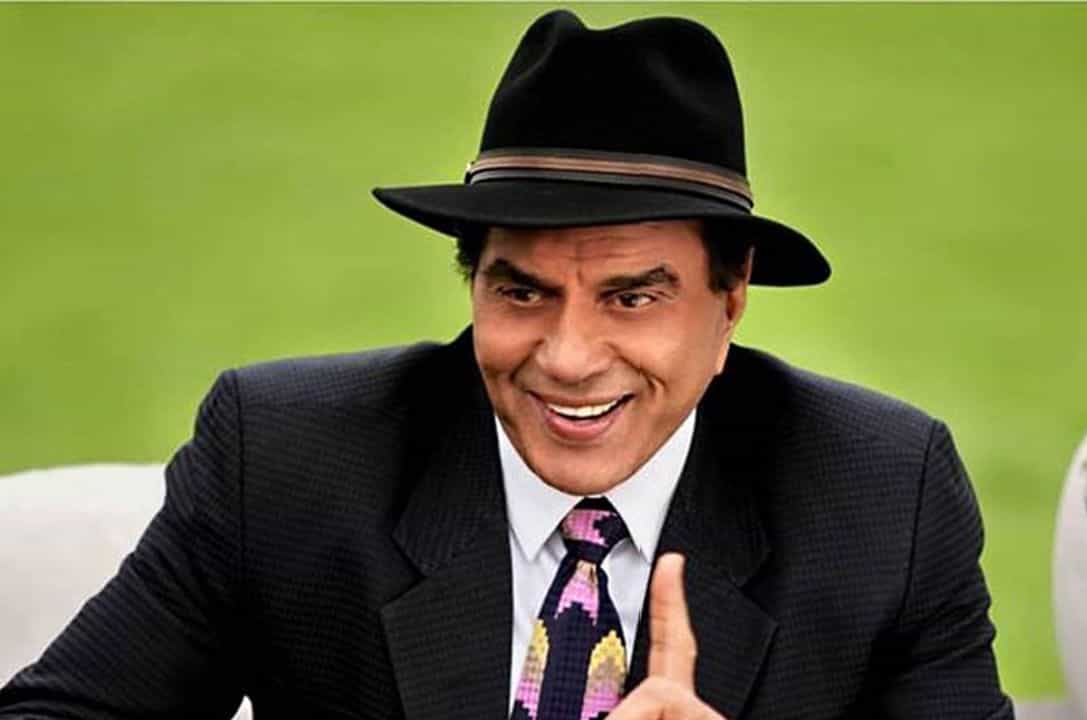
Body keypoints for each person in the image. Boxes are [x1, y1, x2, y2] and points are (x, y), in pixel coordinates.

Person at [0, 9, 1013, 720]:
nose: (567, 359)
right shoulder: (282, 460)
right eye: (521, 292)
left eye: (632, 297)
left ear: (731, 297)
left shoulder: (884, 499)